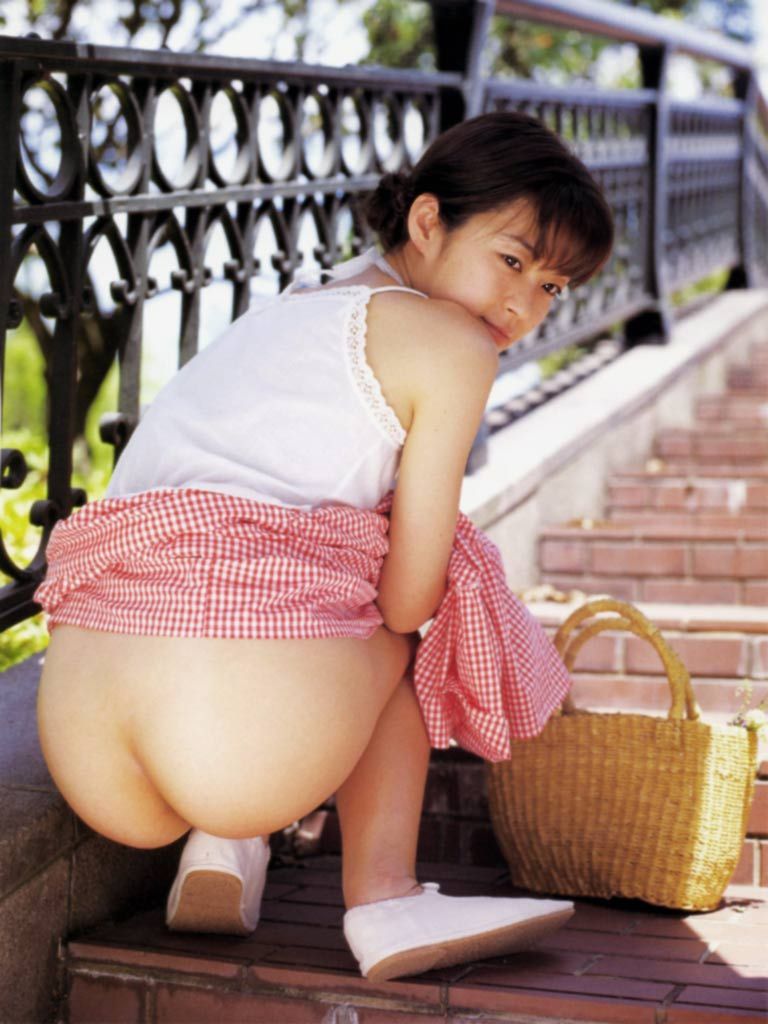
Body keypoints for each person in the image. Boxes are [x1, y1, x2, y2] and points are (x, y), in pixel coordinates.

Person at [34, 111, 613, 982]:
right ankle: (383, 895)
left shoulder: (294, 306)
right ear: (428, 220)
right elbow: (407, 603)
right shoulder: (452, 343)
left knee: (295, 584)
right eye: (512, 260)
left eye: (553, 288)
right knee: (414, 614)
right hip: (235, 739)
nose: (523, 306)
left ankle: (227, 844)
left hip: (84, 739)